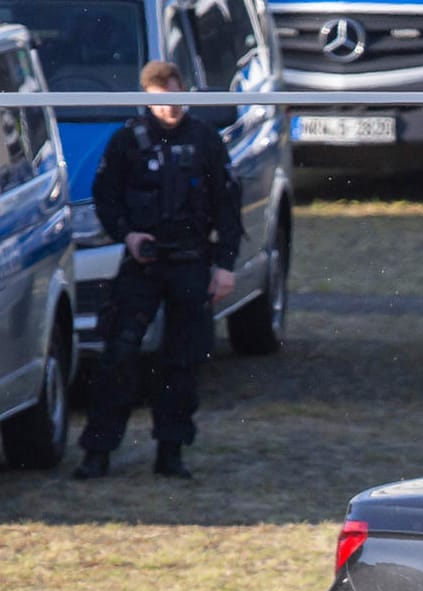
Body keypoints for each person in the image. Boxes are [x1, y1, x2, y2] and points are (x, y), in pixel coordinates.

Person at [71, 59, 243, 481]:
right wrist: (126, 235)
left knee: (182, 363)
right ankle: (98, 451)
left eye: (176, 98)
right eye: (161, 102)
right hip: (142, 265)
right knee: (118, 356)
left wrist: (225, 267)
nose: (170, 109)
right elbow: (105, 198)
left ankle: (171, 451)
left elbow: (227, 207)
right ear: (147, 99)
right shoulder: (128, 142)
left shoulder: (205, 141)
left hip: (191, 263)